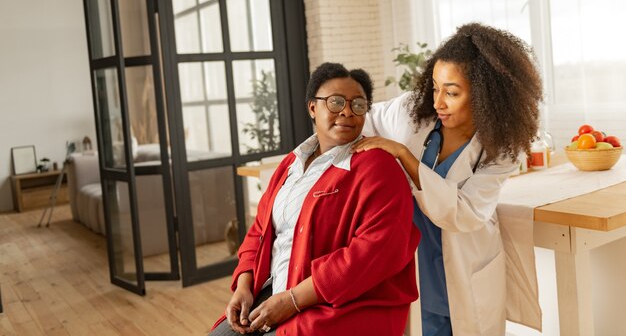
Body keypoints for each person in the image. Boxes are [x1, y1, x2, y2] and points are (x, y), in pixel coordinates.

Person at [353, 22, 543, 336]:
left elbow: (464, 214)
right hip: (413, 271)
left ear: (485, 96)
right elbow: (360, 122)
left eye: (451, 92)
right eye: (435, 87)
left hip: (464, 269)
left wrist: (404, 156)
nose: (438, 101)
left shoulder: (502, 149)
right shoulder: (411, 113)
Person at [209, 63, 421, 336]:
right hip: (272, 293)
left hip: (336, 307)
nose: (346, 111)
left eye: (358, 104)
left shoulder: (378, 167)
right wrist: (244, 286)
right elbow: (260, 231)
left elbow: (374, 252)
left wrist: (293, 300)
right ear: (312, 107)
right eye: (335, 102)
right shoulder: (291, 164)